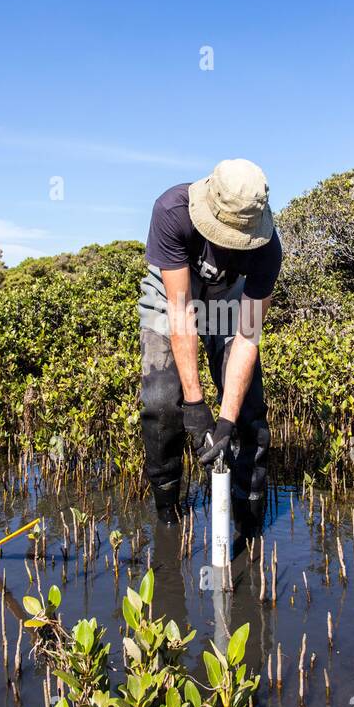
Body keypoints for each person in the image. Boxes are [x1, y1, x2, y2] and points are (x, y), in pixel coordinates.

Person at [137, 158, 281, 525]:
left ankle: (248, 514)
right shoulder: (172, 210)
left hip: (228, 300)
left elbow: (248, 336)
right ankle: (167, 507)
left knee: (249, 411)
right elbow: (181, 311)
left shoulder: (267, 249)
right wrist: (195, 405)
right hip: (172, 295)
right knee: (161, 402)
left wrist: (226, 421)